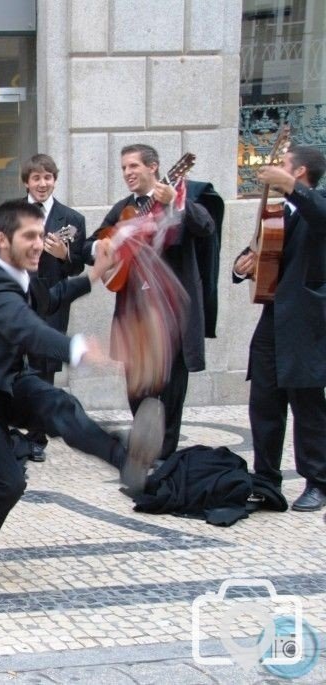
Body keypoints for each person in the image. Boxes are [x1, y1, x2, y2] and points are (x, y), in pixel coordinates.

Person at [0, 199, 164, 585]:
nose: (39, 244)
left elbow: (46, 299)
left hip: (7, 380)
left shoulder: (17, 275)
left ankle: (126, 459)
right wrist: (76, 348)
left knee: (59, 405)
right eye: (29, 236)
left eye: (41, 235)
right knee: (9, 483)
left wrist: (92, 276)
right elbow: (27, 328)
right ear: (2, 241)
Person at [84, 144, 215, 459]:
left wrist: (178, 206)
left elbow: (206, 227)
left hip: (172, 314)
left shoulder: (180, 198)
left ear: (154, 167)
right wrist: (108, 247)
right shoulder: (123, 209)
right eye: (124, 168)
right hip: (135, 315)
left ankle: (164, 458)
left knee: (170, 392)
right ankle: (145, 448)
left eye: (134, 166)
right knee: (137, 388)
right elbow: (92, 245)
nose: (128, 173)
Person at [232, 146, 326, 512]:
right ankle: (266, 481)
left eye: (284, 165)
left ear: (300, 171)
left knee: (308, 407)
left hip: (306, 324)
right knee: (264, 404)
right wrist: (242, 267)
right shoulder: (276, 212)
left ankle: (317, 481)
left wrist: (290, 186)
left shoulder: (316, 204)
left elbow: (319, 214)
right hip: (271, 320)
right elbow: (259, 251)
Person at [20, 154, 87, 462]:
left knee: (42, 371)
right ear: (27, 182)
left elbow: (76, 269)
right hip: (16, 300)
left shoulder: (71, 219)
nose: (42, 183)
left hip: (50, 304)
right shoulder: (12, 213)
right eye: (36, 178)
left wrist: (63, 254)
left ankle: (36, 437)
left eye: (48, 178)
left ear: (55, 180)